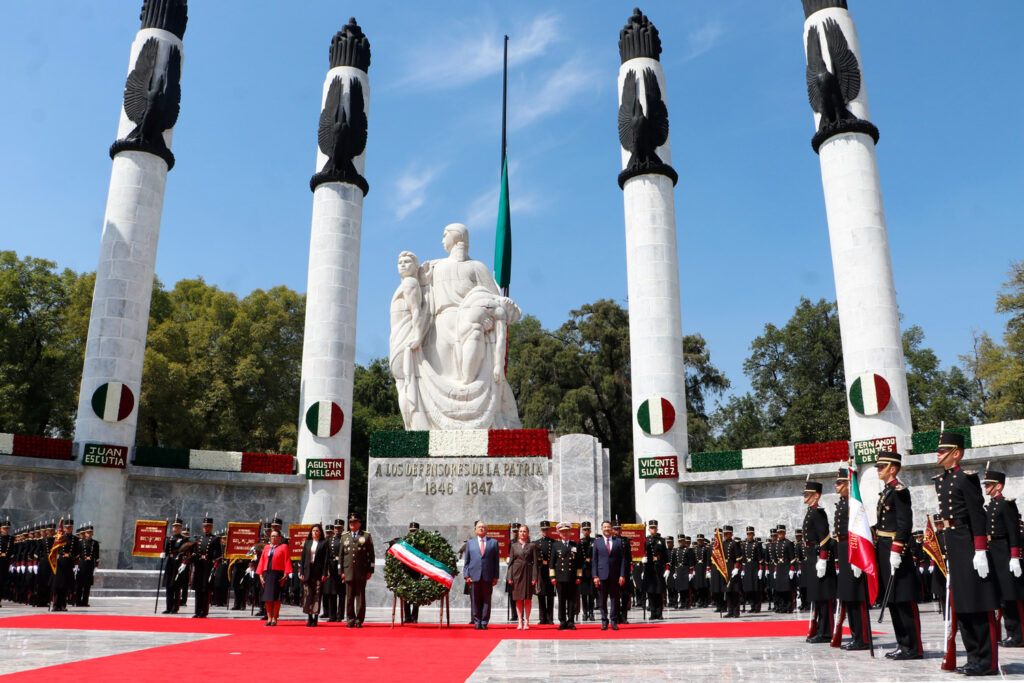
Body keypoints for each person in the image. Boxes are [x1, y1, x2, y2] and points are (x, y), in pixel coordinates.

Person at [934, 431, 1001, 675]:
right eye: (939, 450)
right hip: (953, 542)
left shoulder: (966, 479)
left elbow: (977, 515)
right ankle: (973, 656)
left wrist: (980, 549)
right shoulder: (942, 480)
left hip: (968, 543)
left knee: (978, 602)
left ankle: (987, 661)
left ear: (956, 453)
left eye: (943, 451)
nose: (938, 454)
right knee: (962, 605)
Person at [874, 451, 922, 659]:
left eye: (880, 466)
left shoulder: (900, 491)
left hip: (895, 549)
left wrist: (897, 549)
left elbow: (904, 524)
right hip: (884, 547)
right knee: (892, 599)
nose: (877, 469)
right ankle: (902, 644)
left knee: (903, 599)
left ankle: (913, 647)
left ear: (892, 468)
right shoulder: (887, 491)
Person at [982, 470, 1024, 647]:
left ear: (999, 486)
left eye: (989, 484)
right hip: (994, 553)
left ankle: (1019, 635)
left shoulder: (1006, 505)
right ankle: (1010, 633)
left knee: (1013, 596)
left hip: (1005, 553)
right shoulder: (991, 505)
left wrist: (1015, 556)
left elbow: (1014, 532)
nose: (986, 487)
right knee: (1003, 598)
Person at [833, 468, 870, 650]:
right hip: (843, 550)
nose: (836, 485)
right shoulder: (841, 504)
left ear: (848, 485)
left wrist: (857, 559)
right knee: (849, 597)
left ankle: (862, 638)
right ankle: (855, 635)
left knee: (857, 597)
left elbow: (858, 530)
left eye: (840, 482)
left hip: (852, 549)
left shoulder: (853, 503)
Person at [802, 482, 837, 643]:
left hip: (818, 556)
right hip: (811, 556)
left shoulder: (818, 512)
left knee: (824, 596)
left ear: (816, 495)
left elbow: (824, 537)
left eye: (808, 494)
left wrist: (823, 558)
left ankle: (827, 632)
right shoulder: (811, 512)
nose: (805, 496)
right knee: (818, 596)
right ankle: (820, 630)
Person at [339, 512, 374, 628]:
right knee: (349, 597)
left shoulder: (366, 536)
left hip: (361, 571)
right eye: (350, 522)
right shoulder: (345, 537)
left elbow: (371, 555)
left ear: (359, 523)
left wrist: (370, 571)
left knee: (360, 596)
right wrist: (341, 571)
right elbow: (341, 557)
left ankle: (359, 619)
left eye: (355, 522)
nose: (352, 524)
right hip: (348, 571)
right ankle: (350, 618)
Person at [593, 520, 628, 630]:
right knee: (602, 599)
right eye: (604, 527)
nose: (607, 529)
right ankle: (604, 621)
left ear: (611, 529)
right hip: (602, 575)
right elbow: (594, 561)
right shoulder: (597, 542)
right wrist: (595, 576)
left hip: (615, 575)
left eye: (608, 527)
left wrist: (622, 575)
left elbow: (623, 560)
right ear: (602, 529)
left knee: (615, 599)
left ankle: (613, 620)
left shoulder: (618, 542)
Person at [464, 520, 500, 629]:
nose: (481, 529)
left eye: (483, 527)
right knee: (475, 599)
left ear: (487, 530)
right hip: (474, 576)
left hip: (488, 575)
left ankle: (484, 622)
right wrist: (466, 575)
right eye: (479, 527)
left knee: (487, 599)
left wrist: (496, 576)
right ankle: (477, 621)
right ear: (475, 530)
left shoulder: (493, 542)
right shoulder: (470, 543)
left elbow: (496, 561)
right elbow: (467, 561)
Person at [507, 523, 537, 629]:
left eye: (524, 531)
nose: (522, 533)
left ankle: (527, 621)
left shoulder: (532, 546)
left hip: (528, 574)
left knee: (528, 599)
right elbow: (510, 562)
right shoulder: (514, 546)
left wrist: (534, 577)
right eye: (520, 531)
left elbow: (535, 563)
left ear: (528, 533)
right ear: (518, 533)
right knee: (518, 599)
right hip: (516, 574)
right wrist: (509, 577)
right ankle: (519, 621)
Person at [256, 530, 289, 626]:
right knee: (267, 597)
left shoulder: (284, 547)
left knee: (276, 597)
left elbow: (287, 560)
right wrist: (260, 575)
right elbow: (261, 561)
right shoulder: (266, 547)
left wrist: (286, 574)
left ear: (279, 538)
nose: (273, 538)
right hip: (267, 574)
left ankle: (275, 618)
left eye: (275, 536)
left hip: (277, 574)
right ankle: (269, 617)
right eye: (272, 536)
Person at [192, 516, 221, 618]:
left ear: (211, 527)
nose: (206, 528)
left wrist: (215, 562)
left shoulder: (215, 539)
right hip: (199, 565)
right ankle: (197, 610)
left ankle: (203, 611)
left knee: (205, 589)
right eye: (204, 526)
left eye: (208, 526)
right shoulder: (199, 538)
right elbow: (195, 552)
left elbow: (218, 554)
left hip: (208, 566)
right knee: (198, 589)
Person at [299, 523, 328, 627]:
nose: (315, 532)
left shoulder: (323, 543)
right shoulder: (307, 543)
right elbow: (302, 559)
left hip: (318, 572)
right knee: (308, 595)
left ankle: (315, 617)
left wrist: (325, 573)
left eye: (317, 531)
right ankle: (309, 617)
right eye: (313, 531)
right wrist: (301, 572)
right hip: (307, 571)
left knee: (317, 594)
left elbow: (325, 560)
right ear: (311, 532)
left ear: (320, 533)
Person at [323, 519, 345, 622]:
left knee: (341, 593)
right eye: (336, 528)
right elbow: (326, 555)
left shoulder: (345, 539)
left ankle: (340, 615)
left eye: (340, 528)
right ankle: (332, 615)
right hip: (332, 566)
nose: (337, 530)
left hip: (342, 566)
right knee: (332, 592)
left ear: (343, 528)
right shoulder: (330, 540)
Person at [535, 521, 556, 625]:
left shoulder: (554, 543)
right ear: (540, 530)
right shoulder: (536, 543)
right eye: (543, 529)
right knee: (541, 595)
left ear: (549, 530)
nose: (545, 531)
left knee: (550, 595)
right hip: (541, 572)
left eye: (547, 529)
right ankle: (542, 617)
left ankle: (550, 617)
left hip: (551, 571)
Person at [773, 525, 796, 613]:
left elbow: (792, 558)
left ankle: (789, 607)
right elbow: (775, 558)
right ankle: (781, 606)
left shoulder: (788, 543)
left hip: (786, 567)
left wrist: (792, 569)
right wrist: (775, 570)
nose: (780, 534)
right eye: (778, 533)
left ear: (784, 533)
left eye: (781, 532)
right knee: (780, 589)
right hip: (779, 567)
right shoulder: (776, 544)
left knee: (787, 589)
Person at [403, 522, 423, 624]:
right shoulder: (404, 543)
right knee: (406, 595)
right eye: (411, 531)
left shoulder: (421, 543)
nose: (413, 533)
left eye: (415, 531)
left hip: (417, 571)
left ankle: (414, 617)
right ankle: (407, 617)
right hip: (406, 572)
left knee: (416, 596)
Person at [75, 523, 99, 607]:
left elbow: (97, 555)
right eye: (87, 532)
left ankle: (85, 601)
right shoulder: (81, 543)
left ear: (92, 533)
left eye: (90, 532)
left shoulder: (95, 543)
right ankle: (78, 601)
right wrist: (76, 565)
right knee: (80, 584)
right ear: (85, 534)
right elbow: (77, 554)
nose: (89, 534)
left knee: (87, 585)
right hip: (82, 564)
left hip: (90, 565)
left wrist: (96, 566)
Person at [740, 527, 762, 613]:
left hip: (754, 566)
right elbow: (744, 559)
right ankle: (752, 606)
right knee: (749, 588)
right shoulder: (744, 545)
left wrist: (760, 569)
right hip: (748, 568)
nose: (749, 536)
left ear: (753, 534)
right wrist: (743, 569)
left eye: (750, 534)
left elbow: (760, 558)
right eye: (748, 534)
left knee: (756, 588)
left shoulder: (757, 544)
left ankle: (757, 607)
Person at [578, 522, 596, 621]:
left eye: (588, 529)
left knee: (592, 593)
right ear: (582, 531)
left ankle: (591, 612)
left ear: (590, 531)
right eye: (584, 530)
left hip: (592, 569)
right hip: (584, 570)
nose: (586, 531)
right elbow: (578, 558)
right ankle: (585, 612)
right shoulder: (579, 543)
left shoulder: (594, 541)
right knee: (584, 593)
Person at [0, 518, 11, 607]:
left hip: (6, 562)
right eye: (4, 528)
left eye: (7, 528)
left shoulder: (11, 539)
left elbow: (12, 550)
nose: (6, 530)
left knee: (2, 581)